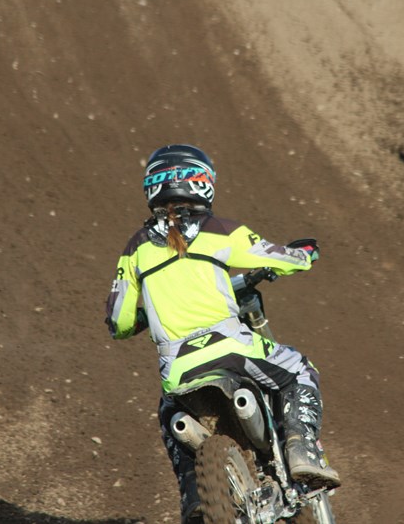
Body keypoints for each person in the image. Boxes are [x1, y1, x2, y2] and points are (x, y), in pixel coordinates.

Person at [105, 144, 340, 523]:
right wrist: (306, 253)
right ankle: (303, 451)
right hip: (232, 350)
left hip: (177, 369)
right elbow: (279, 257)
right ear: (202, 182)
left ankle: (195, 498)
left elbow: (118, 321)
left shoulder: (135, 250)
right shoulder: (219, 230)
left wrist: (146, 314)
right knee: (300, 370)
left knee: (169, 414)